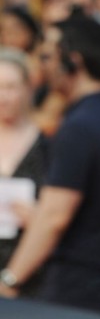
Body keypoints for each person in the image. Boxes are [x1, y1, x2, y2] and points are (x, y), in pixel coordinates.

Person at [0, 16, 100, 313]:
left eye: (48, 57)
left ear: (73, 60)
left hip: (73, 291)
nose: (44, 67)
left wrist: (10, 279)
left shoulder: (78, 128)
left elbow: (54, 216)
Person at [0, 48, 48, 297]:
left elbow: (57, 212)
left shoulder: (48, 146)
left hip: (30, 276)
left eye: (11, 87)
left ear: (28, 89)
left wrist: (38, 219)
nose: (4, 96)